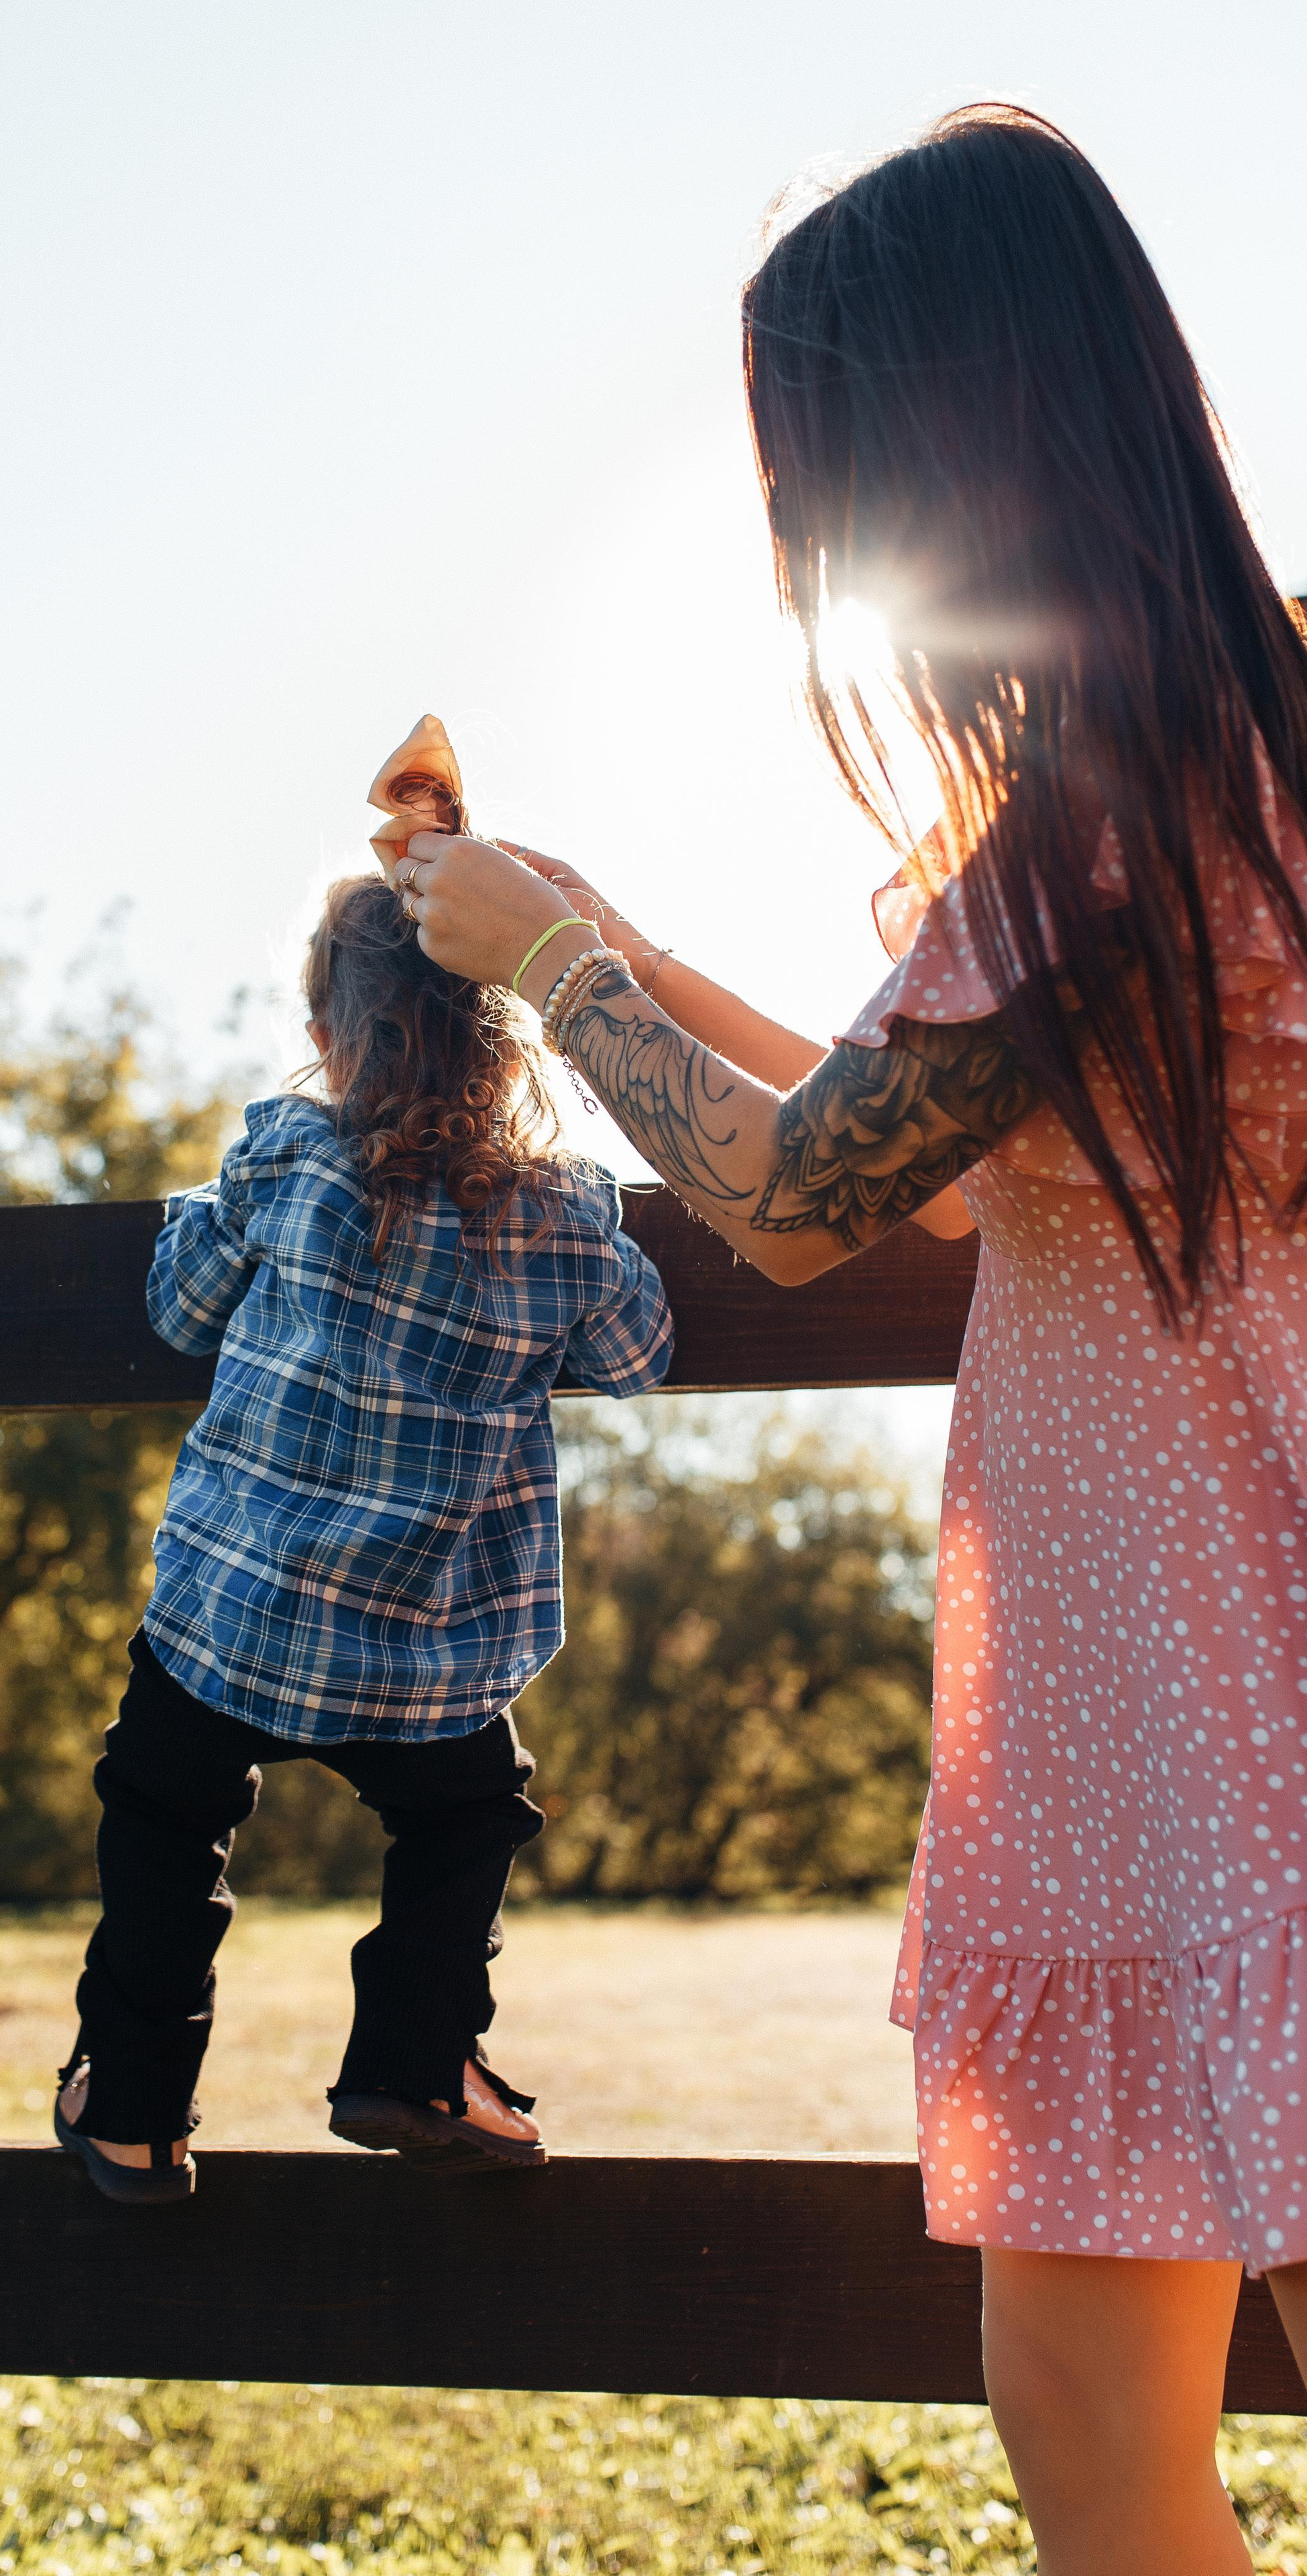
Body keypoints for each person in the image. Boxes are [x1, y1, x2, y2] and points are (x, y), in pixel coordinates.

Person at [393, 103, 1307, 2576]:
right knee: (1093, 2448)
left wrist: (543, 968)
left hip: (1207, 1727)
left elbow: (803, 1201)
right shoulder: (1235, 760)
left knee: (1111, 2477)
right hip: (1185, 1727)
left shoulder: (1117, 820)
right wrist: (607, 930)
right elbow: (913, 1098)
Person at [55, 872, 673, 2200]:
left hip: (231, 1616)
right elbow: (637, 1353)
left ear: (330, 1032)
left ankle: (132, 2104)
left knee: (165, 1817)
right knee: (465, 1822)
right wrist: (593, 1239)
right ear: (505, 1034)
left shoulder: (284, 1155)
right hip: (425, 1645)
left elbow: (182, 1306)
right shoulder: (557, 1212)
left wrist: (195, 1217)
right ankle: (415, 2063)